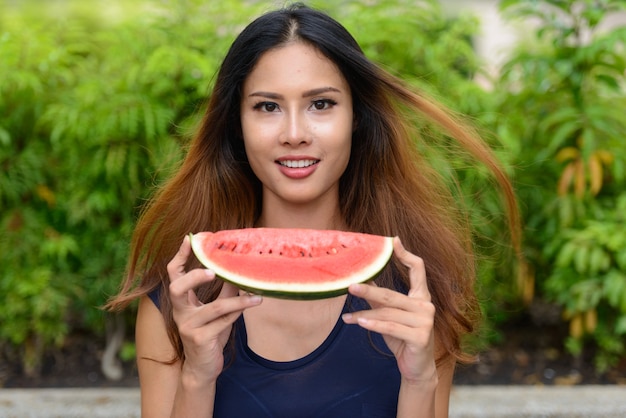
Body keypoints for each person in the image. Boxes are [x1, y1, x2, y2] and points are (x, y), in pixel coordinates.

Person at [107, 3, 519, 417]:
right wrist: (198, 377)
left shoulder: (415, 293)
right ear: (237, 123)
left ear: (356, 116)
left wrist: (419, 381)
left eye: (320, 104)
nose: (294, 134)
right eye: (267, 107)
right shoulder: (179, 300)